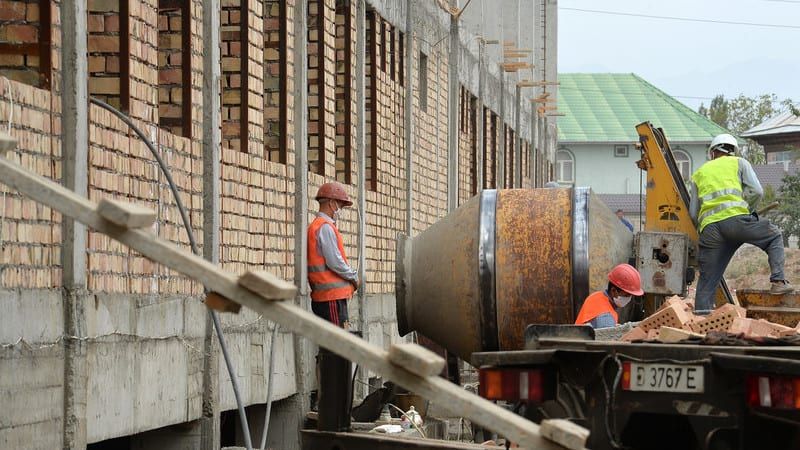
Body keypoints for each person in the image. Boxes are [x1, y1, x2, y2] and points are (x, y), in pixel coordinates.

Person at [689, 133, 793, 311]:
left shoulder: (699, 173)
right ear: (733, 151)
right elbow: (757, 192)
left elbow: (693, 214)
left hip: (710, 230)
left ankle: (701, 324)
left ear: (713, 152)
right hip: (737, 223)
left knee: (707, 281)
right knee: (774, 235)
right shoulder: (739, 162)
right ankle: (778, 281)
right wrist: (749, 211)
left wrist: (704, 229)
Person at [307, 181, 359, 328]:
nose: (340, 210)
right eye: (340, 206)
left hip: (327, 298)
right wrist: (354, 276)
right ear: (331, 203)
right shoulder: (325, 227)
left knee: (332, 346)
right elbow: (335, 261)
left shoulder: (317, 226)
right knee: (336, 347)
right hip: (331, 298)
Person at [575, 263, 644, 328]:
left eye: (631, 295)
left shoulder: (596, 296)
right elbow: (607, 337)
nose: (629, 299)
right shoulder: (606, 317)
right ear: (613, 291)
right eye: (626, 295)